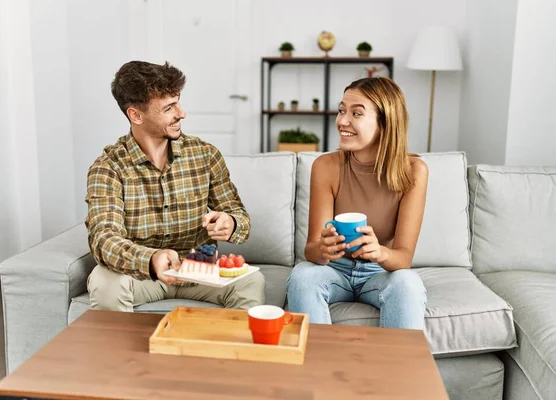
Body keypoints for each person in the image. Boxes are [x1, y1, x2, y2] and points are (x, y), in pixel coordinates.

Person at [85, 60, 265, 312]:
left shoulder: (204, 155)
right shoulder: (109, 167)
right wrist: (150, 259)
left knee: (251, 280)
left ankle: (233, 351)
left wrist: (231, 222)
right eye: (169, 107)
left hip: (199, 271)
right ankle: (122, 352)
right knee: (104, 282)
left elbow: (240, 218)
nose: (181, 113)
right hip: (143, 276)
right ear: (135, 114)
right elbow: (104, 238)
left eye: (178, 102)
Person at [286, 77, 428, 329]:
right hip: (334, 270)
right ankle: (319, 366)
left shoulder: (414, 171)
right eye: (342, 111)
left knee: (408, 283)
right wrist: (324, 249)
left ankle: (400, 368)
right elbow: (311, 251)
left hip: (380, 271)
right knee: (302, 276)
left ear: (385, 123)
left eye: (356, 113)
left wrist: (379, 251)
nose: (342, 121)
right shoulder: (326, 167)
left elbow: (403, 258)